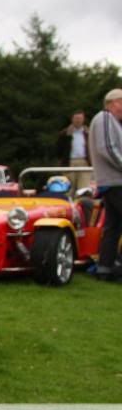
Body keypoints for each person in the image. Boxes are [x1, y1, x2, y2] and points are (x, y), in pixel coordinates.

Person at [90, 89, 122, 281]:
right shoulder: (105, 118)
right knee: (113, 226)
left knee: (113, 226)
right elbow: (108, 149)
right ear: (113, 102)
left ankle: (105, 268)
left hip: (113, 181)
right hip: (116, 182)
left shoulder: (113, 122)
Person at [56, 110, 91, 188]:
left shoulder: (88, 133)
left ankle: (82, 200)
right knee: (69, 188)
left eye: (80, 118)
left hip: (85, 162)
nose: (78, 120)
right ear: (72, 119)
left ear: (83, 119)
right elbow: (59, 150)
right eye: (76, 118)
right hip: (69, 162)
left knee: (83, 188)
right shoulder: (64, 133)